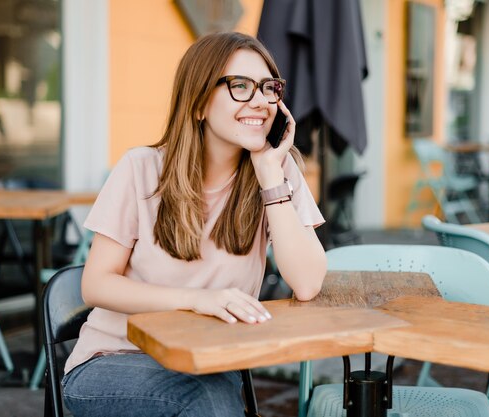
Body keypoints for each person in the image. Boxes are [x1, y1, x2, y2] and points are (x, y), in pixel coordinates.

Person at [62, 31, 327, 417]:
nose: (260, 101)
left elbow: (307, 284)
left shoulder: (276, 170)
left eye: (269, 88)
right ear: (200, 102)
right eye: (240, 86)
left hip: (209, 366)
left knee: (211, 396)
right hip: (114, 361)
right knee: (207, 402)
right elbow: (96, 284)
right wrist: (198, 301)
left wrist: (270, 177)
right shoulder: (142, 168)